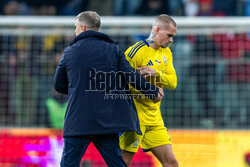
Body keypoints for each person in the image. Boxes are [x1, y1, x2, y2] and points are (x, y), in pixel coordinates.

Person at [54, 11, 164, 167]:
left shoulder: (70, 52)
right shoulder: (112, 49)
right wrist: (152, 91)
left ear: (83, 28)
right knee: (116, 163)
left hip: (78, 119)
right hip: (106, 120)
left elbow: (58, 84)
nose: (75, 31)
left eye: (76, 27)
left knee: (69, 164)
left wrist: (78, 90)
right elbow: (130, 75)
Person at [119, 14, 178, 167]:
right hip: (134, 119)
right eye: (169, 35)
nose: (171, 39)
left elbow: (173, 83)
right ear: (157, 29)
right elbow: (120, 83)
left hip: (154, 119)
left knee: (171, 163)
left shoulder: (166, 53)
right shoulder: (135, 52)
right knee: (122, 162)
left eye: (173, 36)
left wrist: (156, 74)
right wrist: (147, 88)